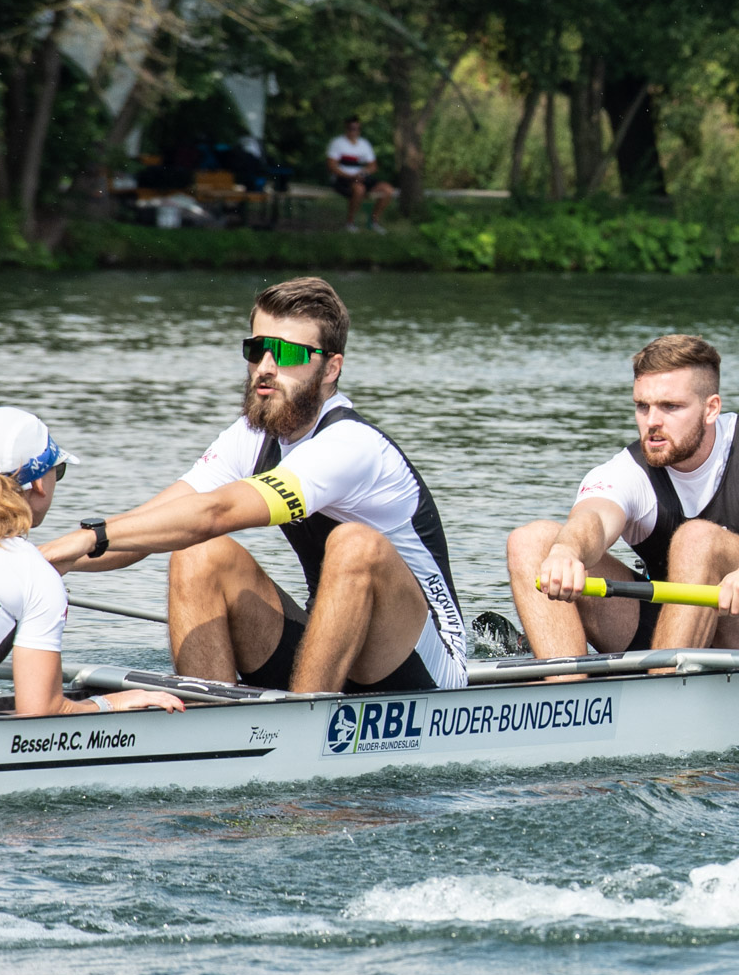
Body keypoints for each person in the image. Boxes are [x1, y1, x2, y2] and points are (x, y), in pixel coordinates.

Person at [40, 277, 468, 695]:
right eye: (257, 349)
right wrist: (41, 558)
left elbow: (216, 513)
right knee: (194, 550)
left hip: (425, 660)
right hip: (335, 643)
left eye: (287, 354)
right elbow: (146, 528)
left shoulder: (352, 446)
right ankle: (205, 720)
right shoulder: (251, 436)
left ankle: (300, 727)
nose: (265, 367)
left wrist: (89, 537)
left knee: (354, 543)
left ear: (330, 368)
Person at [512, 335, 739, 660]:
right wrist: (566, 551)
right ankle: (567, 693)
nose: (652, 421)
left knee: (698, 539)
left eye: (670, 407)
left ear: (711, 409)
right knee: (532, 542)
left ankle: (663, 688)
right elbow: (593, 519)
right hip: (676, 629)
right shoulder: (626, 470)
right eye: (643, 406)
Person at [0, 410, 183, 718]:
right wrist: (114, 701)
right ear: (39, 484)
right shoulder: (30, 570)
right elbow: (42, 713)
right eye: (58, 471)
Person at [325, 117, 394, 233]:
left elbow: (373, 166)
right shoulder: (337, 143)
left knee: (387, 189)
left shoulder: (364, 144)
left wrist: (363, 173)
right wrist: (350, 176)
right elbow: (331, 166)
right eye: (351, 128)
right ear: (346, 129)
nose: (354, 131)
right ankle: (350, 222)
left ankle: (374, 222)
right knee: (359, 189)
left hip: (360, 177)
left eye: (357, 128)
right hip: (343, 178)